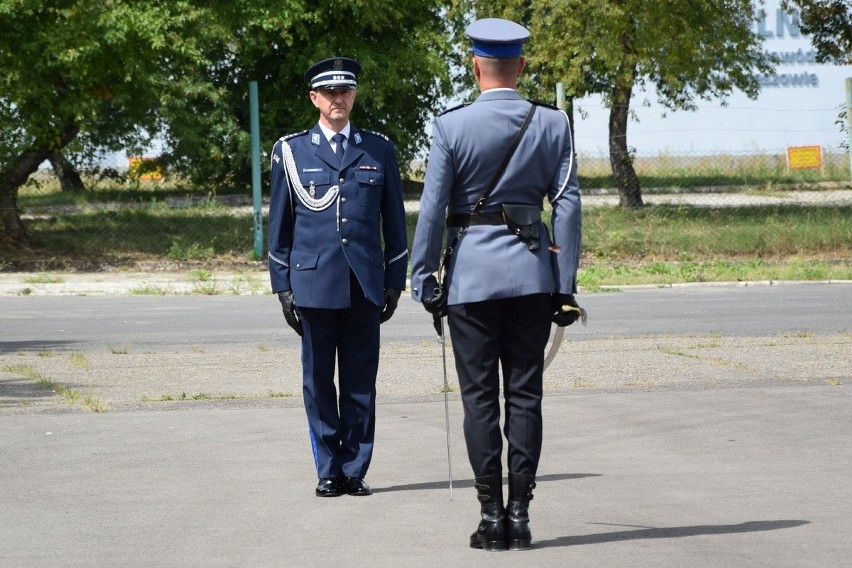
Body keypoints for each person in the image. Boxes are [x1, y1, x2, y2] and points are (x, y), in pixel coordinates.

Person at [409, 19, 583, 551]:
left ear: (476, 65)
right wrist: (565, 283)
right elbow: (569, 203)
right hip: (533, 276)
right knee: (526, 396)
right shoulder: (554, 124)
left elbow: (434, 208)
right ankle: (522, 515)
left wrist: (422, 277)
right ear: (522, 66)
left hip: (471, 281)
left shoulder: (450, 127)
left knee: (480, 399)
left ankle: (490, 517)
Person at [268, 56, 408, 498]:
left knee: (361, 381)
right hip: (313, 284)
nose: (337, 99)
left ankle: (355, 469)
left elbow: (394, 222)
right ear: (314, 98)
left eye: (344, 91)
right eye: (328, 93)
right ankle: (328, 468)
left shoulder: (379, 149)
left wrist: (394, 279)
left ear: (354, 96)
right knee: (318, 381)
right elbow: (280, 226)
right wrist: (282, 286)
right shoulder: (291, 150)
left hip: (364, 284)